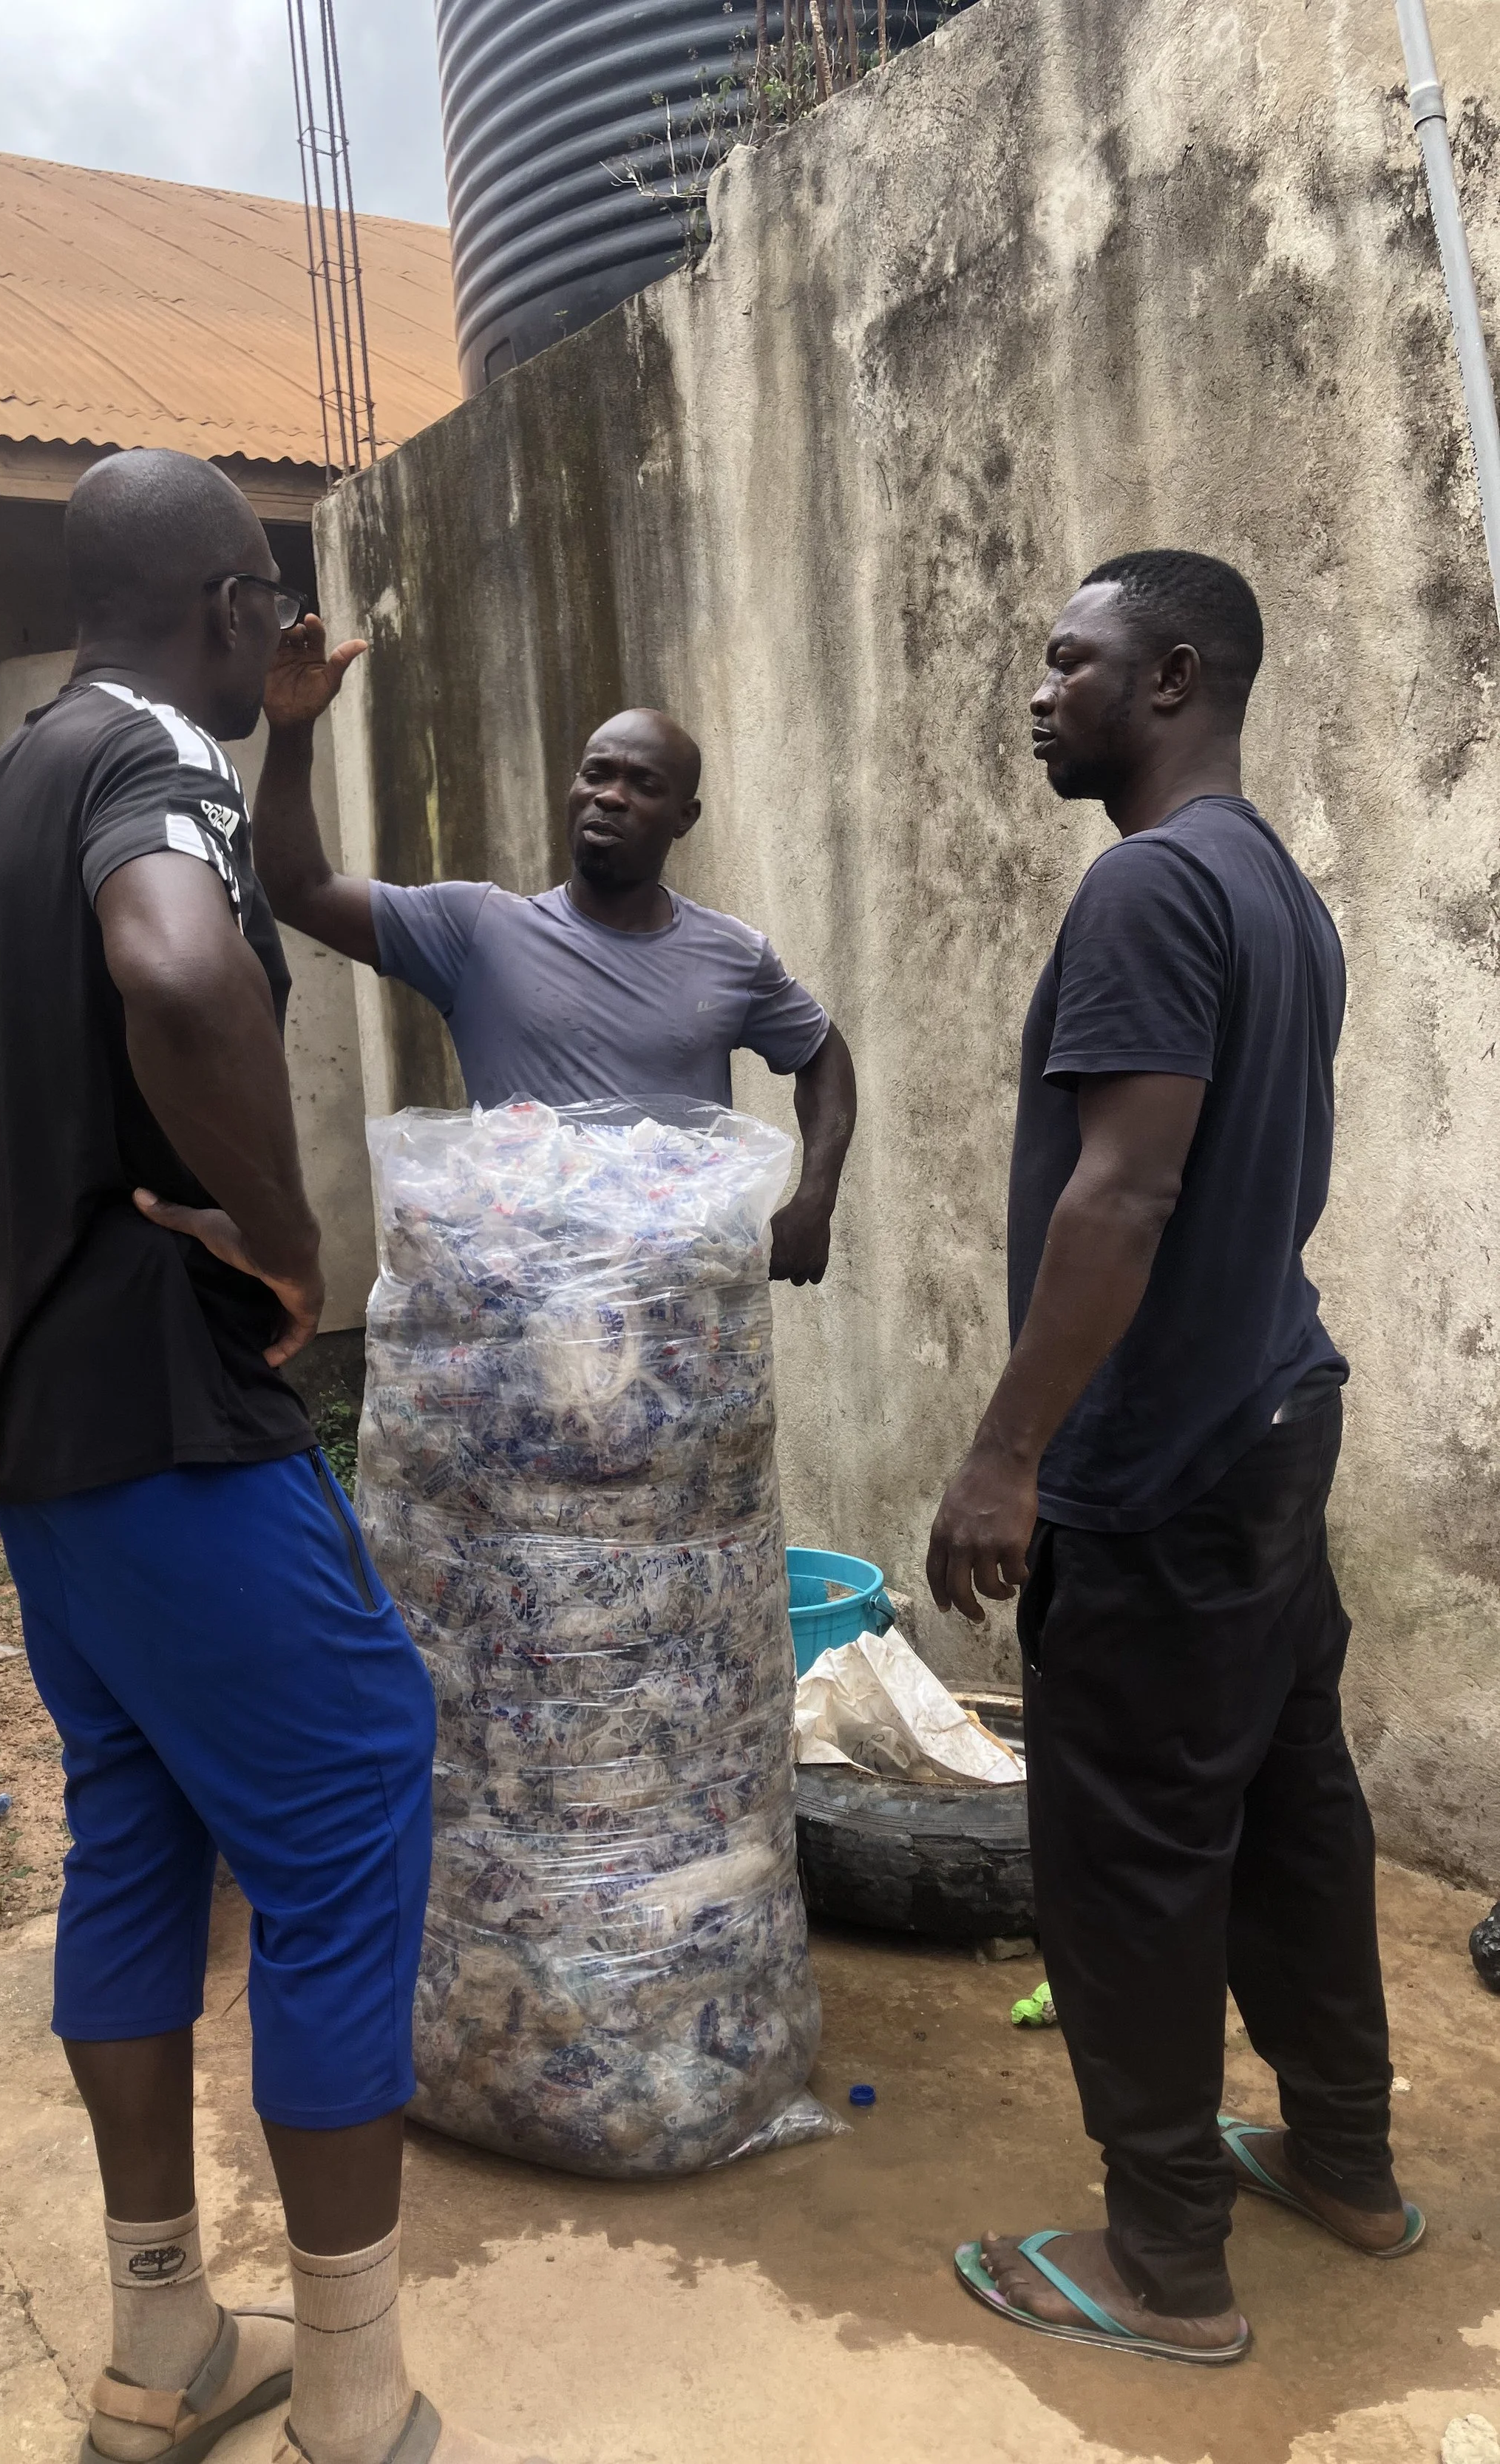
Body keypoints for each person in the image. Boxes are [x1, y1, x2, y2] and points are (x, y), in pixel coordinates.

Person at [0, 448, 547, 2464]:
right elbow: (179, 967)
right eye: (266, 609)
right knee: (346, 1802)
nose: (272, 641)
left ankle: (161, 2346)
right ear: (225, 606)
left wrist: (10, 1205)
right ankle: (359, 2385)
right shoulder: (155, 774)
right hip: (169, 1417)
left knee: (138, 1824)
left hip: (35, 1430)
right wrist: (292, 1244)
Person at [925, 551, 1420, 2366]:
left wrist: (1007, 1451)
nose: (1039, 691)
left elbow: (1120, 1195)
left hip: (1172, 1461)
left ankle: (1169, 2268)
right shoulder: (1276, 888)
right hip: (1278, 1415)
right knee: (1295, 1812)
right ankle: (1347, 2164)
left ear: (1175, 676)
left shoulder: (1148, 889)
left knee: (1130, 1853)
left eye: (1071, 661)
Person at [251, 631, 857, 1284]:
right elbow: (300, 890)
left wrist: (815, 1200)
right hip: (524, 1319)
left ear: (685, 817)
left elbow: (823, 1053)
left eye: (642, 784)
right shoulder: (475, 928)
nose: (611, 795)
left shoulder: (732, 955)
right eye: (596, 773)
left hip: (684, 1323)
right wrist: (288, 734)